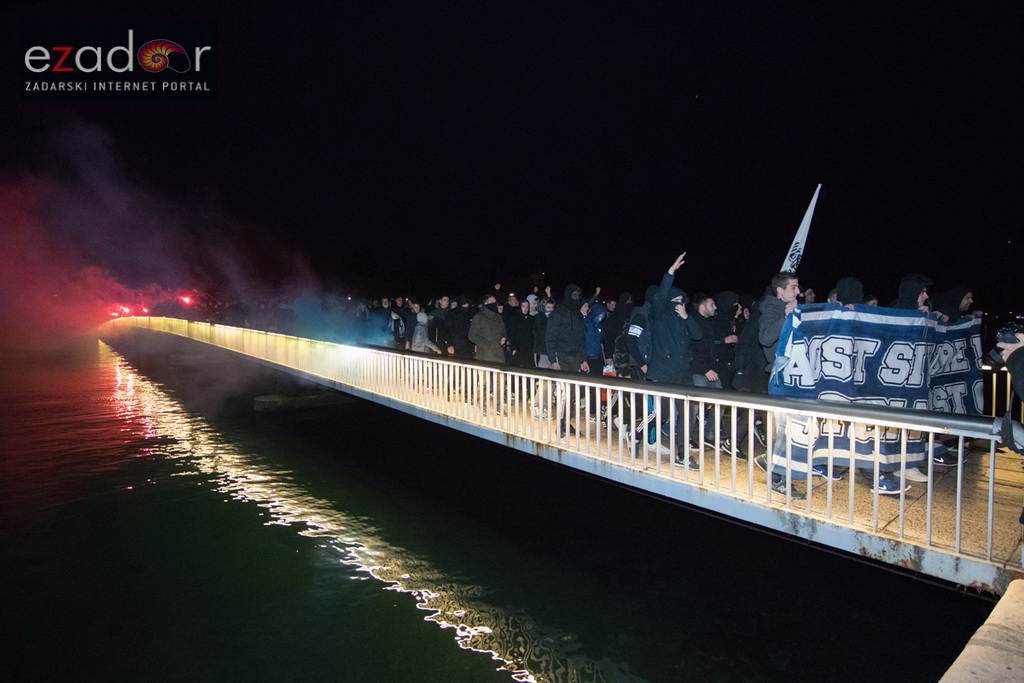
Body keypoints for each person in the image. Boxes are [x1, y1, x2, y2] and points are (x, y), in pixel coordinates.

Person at [638, 253, 702, 467]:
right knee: (662, 413)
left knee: (687, 414)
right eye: (675, 300)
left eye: (682, 301)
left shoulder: (682, 318)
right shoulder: (659, 315)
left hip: (683, 374)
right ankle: (635, 433)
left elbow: (698, 335)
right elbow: (659, 298)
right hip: (664, 373)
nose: (679, 303)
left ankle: (683, 455)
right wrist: (670, 273)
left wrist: (686, 316)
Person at [755, 271, 806, 497]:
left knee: (794, 429)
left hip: (797, 376)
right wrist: (785, 318)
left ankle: (775, 464)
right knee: (782, 431)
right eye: (793, 287)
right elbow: (765, 338)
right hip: (780, 378)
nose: (799, 292)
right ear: (780, 291)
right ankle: (776, 477)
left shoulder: (796, 309)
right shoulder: (772, 308)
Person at [468, 293, 506, 363]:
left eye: (495, 302)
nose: (494, 304)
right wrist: (487, 345)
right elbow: (472, 335)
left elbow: (503, 330)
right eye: (492, 302)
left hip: (498, 353)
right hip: (485, 354)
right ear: (486, 303)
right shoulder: (479, 317)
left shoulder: (498, 317)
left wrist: (503, 337)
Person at [506, 299, 535, 368]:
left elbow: (533, 334)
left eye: (527, 306)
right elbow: (512, 334)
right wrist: (513, 348)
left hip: (529, 349)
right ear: (520, 307)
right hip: (518, 349)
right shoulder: (515, 318)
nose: (526, 308)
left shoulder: (531, 318)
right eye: (523, 306)